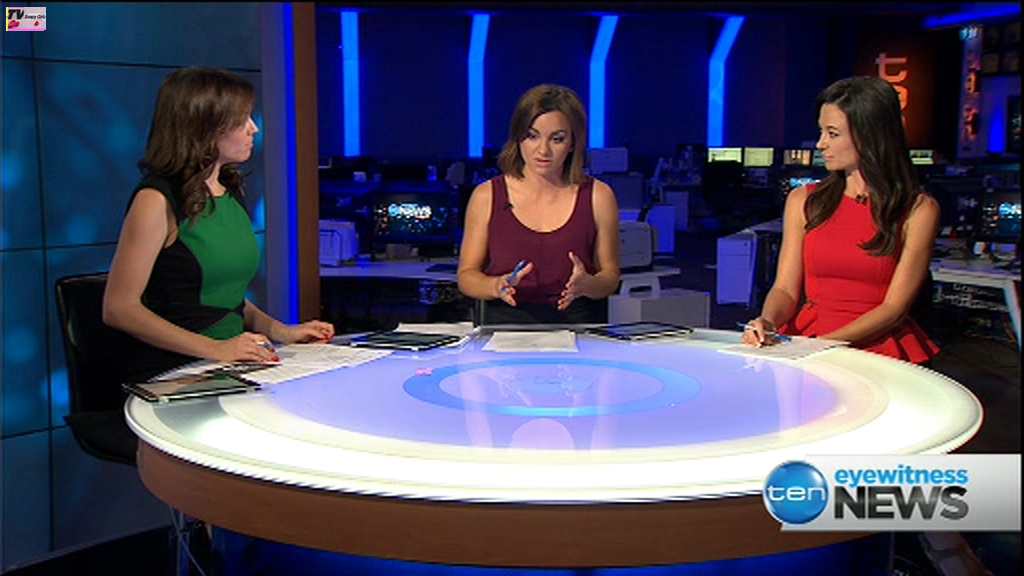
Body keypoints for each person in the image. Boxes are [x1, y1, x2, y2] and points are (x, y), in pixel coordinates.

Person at [103, 67, 334, 384]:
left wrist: (281, 331)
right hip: (173, 369)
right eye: (242, 119)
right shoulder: (156, 200)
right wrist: (217, 349)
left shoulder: (229, 192)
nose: (254, 128)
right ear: (205, 126)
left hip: (229, 362)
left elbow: (225, 298)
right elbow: (118, 308)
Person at [741, 76, 940, 365]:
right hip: (810, 339)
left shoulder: (918, 210)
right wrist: (767, 321)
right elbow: (785, 289)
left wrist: (824, 345)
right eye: (821, 132)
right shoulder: (802, 201)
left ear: (870, 136)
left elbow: (894, 308)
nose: (820, 144)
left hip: (876, 347)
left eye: (832, 134)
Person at [457, 84, 621, 324]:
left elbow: (610, 277)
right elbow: (466, 276)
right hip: (505, 330)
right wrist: (495, 285)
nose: (543, 150)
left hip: (578, 329)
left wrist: (588, 285)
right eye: (532, 136)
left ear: (572, 143)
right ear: (518, 137)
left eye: (557, 139)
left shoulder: (599, 196)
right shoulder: (486, 196)